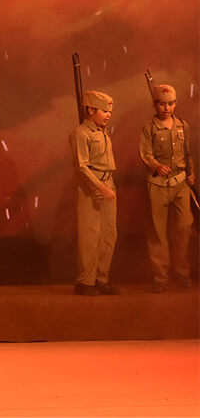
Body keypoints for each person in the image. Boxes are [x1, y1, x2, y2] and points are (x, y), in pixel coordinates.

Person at [139, 84, 195, 292]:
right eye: (162, 104)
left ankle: (182, 272)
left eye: (171, 103)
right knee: (157, 232)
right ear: (155, 105)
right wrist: (156, 166)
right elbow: (145, 153)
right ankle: (160, 277)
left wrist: (191, 172)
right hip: (158, 184)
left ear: (175, 103)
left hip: (180, 183)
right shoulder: (149, 127)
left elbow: (187, 153)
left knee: (184, 227)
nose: (167, 108)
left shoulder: (182, 126)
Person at [70, 90, 119, 296]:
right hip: (91, 187)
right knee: (90, 236)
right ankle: (85, 280)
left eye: (110, 111)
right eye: (104, 111)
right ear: (90, 110)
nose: (108, 114)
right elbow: (82, 167)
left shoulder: (102, 132)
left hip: (108, 184)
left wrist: (108, 187)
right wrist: (99, 187)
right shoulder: (81, 134)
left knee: (108, 235)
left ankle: (101, 278)